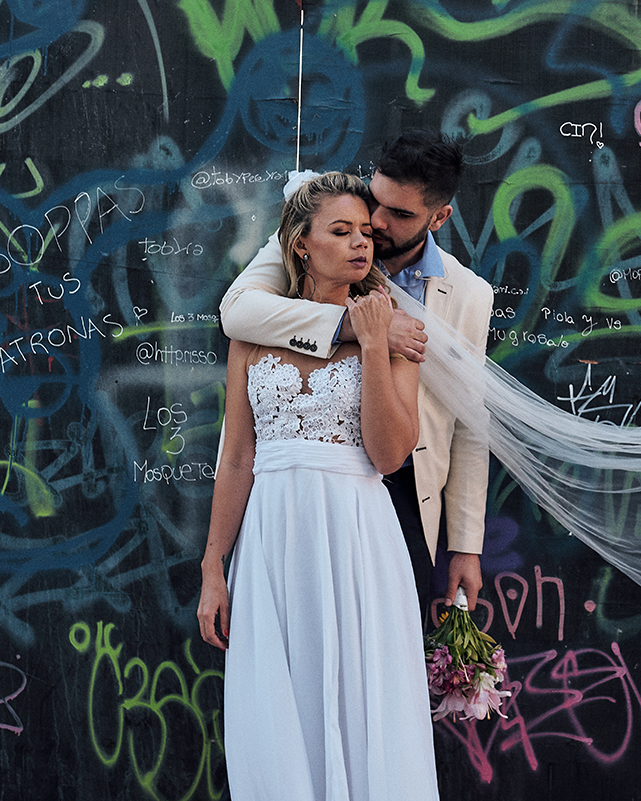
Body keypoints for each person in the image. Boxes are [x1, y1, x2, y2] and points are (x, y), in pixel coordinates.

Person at [198, 172, 439, 800]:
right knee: (282, 700)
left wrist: (377, 338)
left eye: (366, 232)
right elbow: (238, 457)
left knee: (362, 698)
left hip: (357, 534)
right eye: (341, 231)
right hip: (274, 537)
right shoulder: (254, 331)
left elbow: (389, 455)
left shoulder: (398, 330)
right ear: (299, 244)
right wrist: (213, 568)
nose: (361, 243)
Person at [219, 131, 494, 616]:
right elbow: (238, 313)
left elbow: (470, 423)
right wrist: (353, 326)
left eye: (401, 215)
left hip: (406, 489)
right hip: (294, 497)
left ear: (440, 217)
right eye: (377, 201)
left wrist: (466, 543)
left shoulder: (469, 295)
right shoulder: (325, 233)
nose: (378, 225)